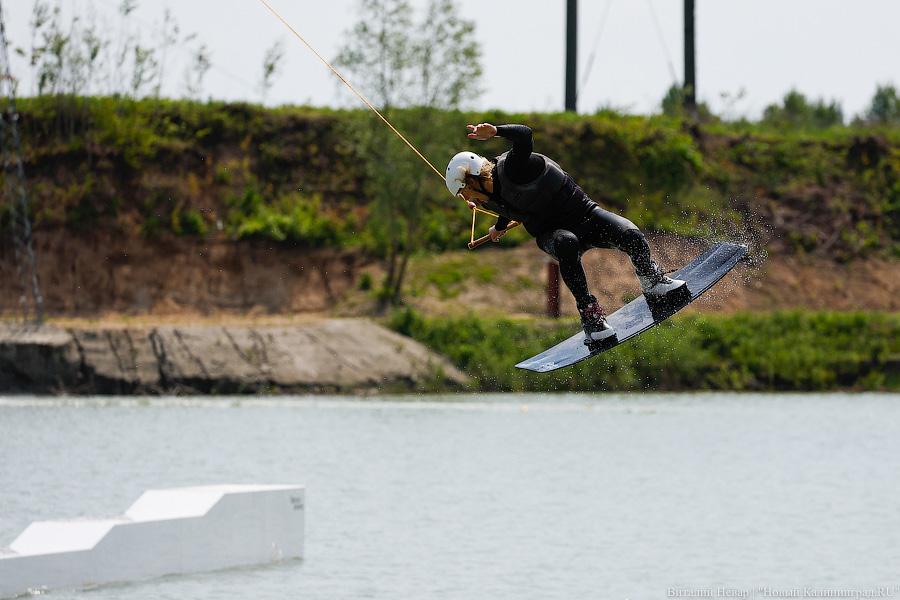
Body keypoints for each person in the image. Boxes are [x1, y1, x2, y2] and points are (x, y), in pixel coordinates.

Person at [445, 122, 686, 343]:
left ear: (474, 180)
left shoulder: (513, 167)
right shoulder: (486, 197)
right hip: (552, 234)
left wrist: (496, 131)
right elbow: (508, 204)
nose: (467, 199)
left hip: (585, 215)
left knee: (632, 236)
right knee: (566, 243)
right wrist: (498, 228)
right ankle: (591, 318)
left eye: (465, 192)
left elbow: (525, 137)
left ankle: (651, 282)